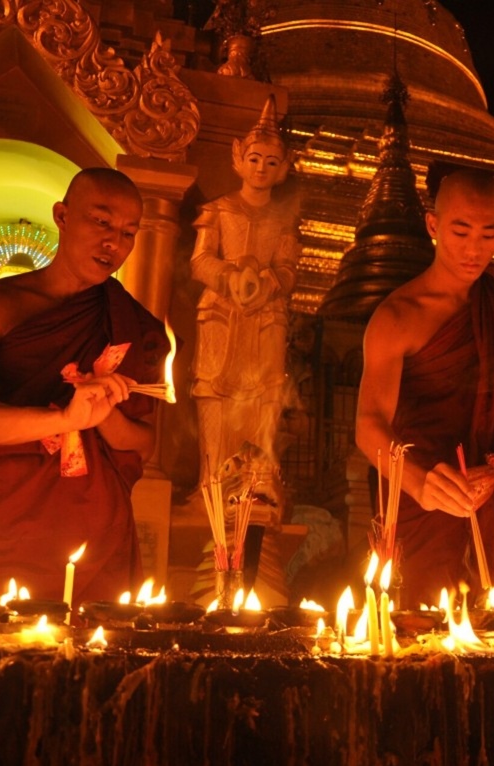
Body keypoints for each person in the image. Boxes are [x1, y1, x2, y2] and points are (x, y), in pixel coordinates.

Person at [0, 168, 170, 604]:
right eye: (102, 222)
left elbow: (143, 444)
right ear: (62, 215)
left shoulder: (134, 326)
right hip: (0, 516)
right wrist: (64, 418)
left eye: (128, 232)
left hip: (95, 528)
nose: (113, 243)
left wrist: (102, 415)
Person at [354, 168, 494, 607]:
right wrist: (421, 483)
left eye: (488, 235)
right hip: (425, 506)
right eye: (460, 233)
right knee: (418, 627)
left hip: (493, 502)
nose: (474, 250)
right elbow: (369, 425)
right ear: (433, 225)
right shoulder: (398, 316)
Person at [191, 95, 298, 524]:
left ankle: (257, 487)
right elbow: (199, 261)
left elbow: (288, 269)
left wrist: (268, 283)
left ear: (285, 166)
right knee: (214, 395)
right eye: (254, 159)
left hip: (266, 319)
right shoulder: (218, 210)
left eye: (271, 162)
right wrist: (229, 276)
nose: (261, 169)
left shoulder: (283, 220)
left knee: (266, 399)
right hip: (221, 315)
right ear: (238, 158)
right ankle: (211, 488)